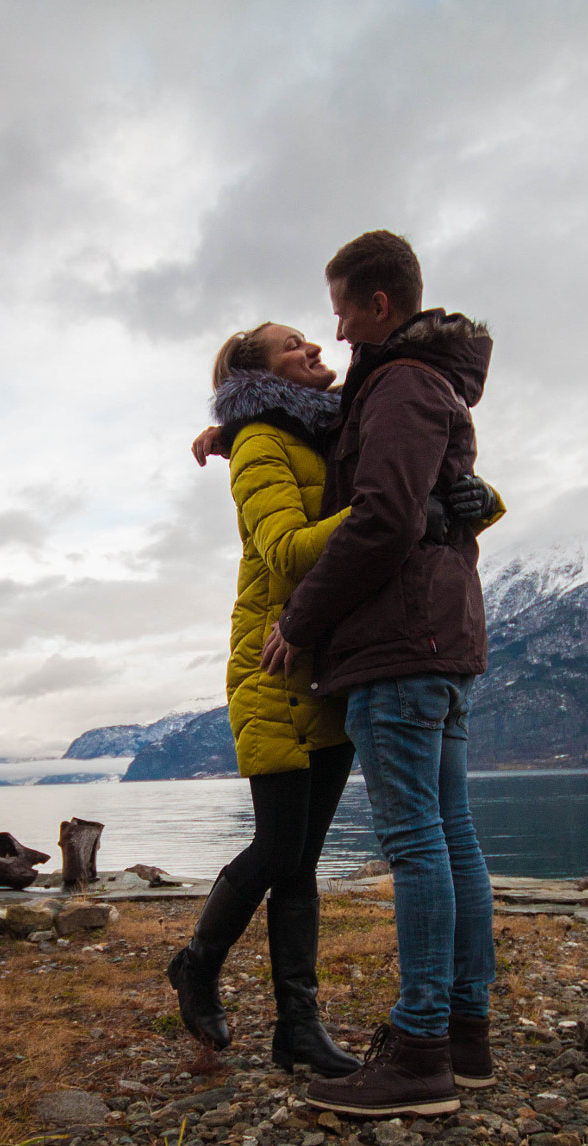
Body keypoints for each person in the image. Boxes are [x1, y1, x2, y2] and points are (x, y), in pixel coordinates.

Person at [259, 230, 501, 1119]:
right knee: (454, 833)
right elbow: (431, 504)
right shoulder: (425, 378)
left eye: (341, 307)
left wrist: (302, 617)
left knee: (417, 843)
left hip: (401, 641)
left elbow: (386, 516)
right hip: (440, 637)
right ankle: (465, 1036)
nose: (334, 324)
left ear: (379, 306)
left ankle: (421, 1047)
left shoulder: (399, 382)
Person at [166, 320, 366, 1078]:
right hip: (272, 667)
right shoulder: (261, 443)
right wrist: (387, 512)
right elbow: (284, 549)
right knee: (280, 847)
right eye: (293, 345)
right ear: (260, 373)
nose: (314, 348)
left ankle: (299, 1030)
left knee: (304, 860)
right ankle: (197, 963)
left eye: (311, 340)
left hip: (326, 669)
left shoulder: (320, 430)